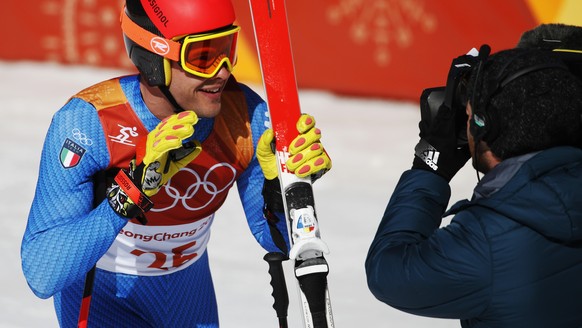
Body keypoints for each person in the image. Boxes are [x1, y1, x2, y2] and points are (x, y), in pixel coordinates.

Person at [20, 0, 331, 326]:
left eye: (228, 49)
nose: (222, 71)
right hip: (104, 303)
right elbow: (42, 275)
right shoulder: (90, 124)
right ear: (154, 59)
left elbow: (278, 242)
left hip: (188, 300)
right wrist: (129, 192)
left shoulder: (245, 119)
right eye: (204, 56)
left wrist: (282, 189)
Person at [365, 46, 582, 327]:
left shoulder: (486, 240)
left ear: (486, 128)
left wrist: (428, 169)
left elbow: (388, 272)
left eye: (468, 117)